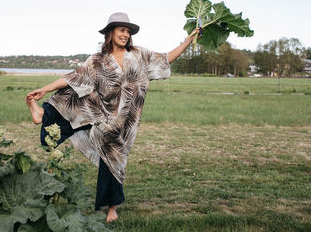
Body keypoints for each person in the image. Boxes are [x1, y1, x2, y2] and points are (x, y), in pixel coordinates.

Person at [26, 12, 200, 223]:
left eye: (128, 31)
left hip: (126, 122)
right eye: (121, 30)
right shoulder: (97, 60)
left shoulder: (139, 54)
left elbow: (166, 58)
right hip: (102, 114)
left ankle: (112, 208)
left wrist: (189, 40)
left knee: (114, 160)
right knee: (74, 93)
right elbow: (73, 77)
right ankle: (43, 113)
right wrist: (44, 89)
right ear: (111, 32)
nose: (125, 34)